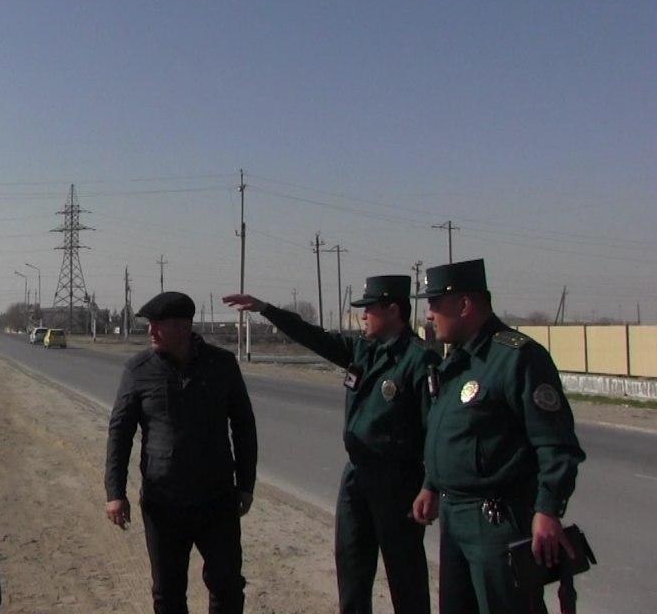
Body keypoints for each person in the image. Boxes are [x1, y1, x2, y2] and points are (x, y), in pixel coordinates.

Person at [225, 276, 438, 614]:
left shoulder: (419, 360)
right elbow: (313, 336)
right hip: (356, 477)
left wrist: (430, 486)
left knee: (405, 576)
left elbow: (435, 432)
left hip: (397, 485)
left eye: (369, 309)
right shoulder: (363, 351)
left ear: (393, 310)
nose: (363, 316)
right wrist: (266, 309)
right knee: (351, 569)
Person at [417, 259, 585, 614]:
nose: (429, 314)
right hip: (453, 516)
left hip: (495, 522)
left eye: (435, 303)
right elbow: (449, 432)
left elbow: (556, 445)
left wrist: (547, 510)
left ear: (464, 305)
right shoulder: (456, 361)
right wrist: (431, 484)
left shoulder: (517, 358)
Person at [105, 291, 257, 614]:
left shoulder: (221, 365)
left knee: (227, 586)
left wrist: (246, 484)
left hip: (217, 501)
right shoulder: (138, 370)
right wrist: (115, 493)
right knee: (168, 593)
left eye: (157, 325)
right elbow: (120, 432)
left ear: (183, 327)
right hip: (163, 505)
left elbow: (244, 427)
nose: (150, 331)